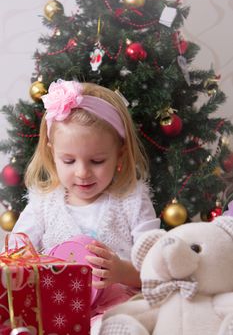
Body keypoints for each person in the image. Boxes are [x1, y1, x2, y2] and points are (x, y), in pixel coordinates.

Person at [10, 79, 160, 333]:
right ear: (52, 153)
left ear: (120, 154)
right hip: (56, 307)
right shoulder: (43, 204)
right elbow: (16, 254)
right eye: (68, 160)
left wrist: (122, 271)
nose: (82, 173)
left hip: (118, 306)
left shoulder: (131, 200)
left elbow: (160, 268)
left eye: (97, 160)